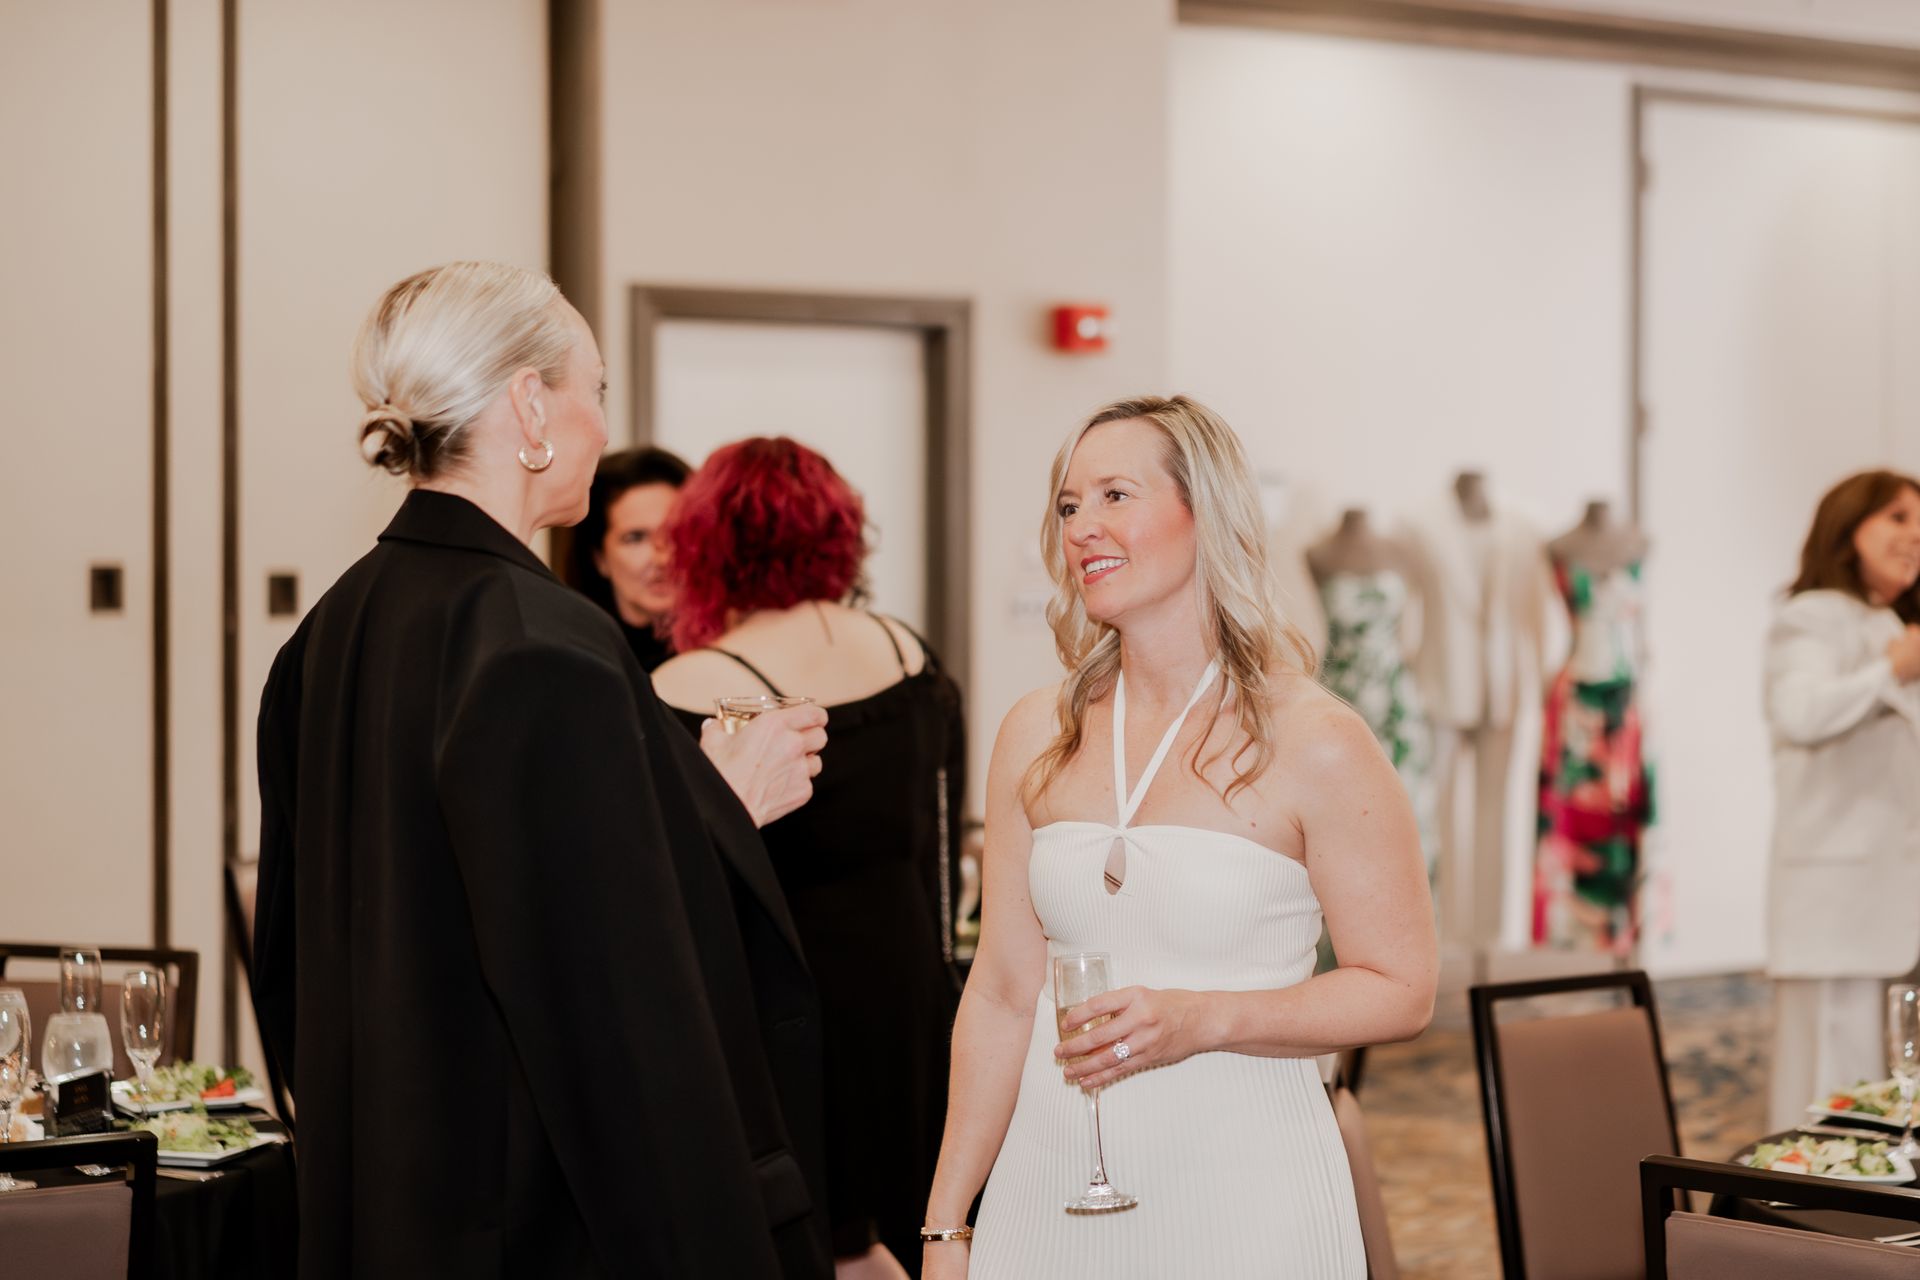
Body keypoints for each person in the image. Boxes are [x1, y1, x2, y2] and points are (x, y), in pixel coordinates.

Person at [252, 262, 835, 1278]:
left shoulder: (327, 635)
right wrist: (718, 811)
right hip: (537, 1233)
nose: (603, 424)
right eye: (595, 388)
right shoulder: (540, 644)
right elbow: (615, 1017)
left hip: (382, 1213)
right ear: (530, 403)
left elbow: (297, 972)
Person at [920, 396, 1436, 1279]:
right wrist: (946, 1224)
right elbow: (1003, 996)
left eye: (1115, 494)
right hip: (1047, 1192)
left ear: (1206, 513)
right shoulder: (1035, 732)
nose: (1084, 526)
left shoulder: (1314, 739)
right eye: (1070, 505)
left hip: (1246, 1196)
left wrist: (1206, 1017)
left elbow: (1402, 990)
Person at [651, 437, 966, 1280]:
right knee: (914, 1226)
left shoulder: (688, 686)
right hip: (911, 1001)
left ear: (707, 545)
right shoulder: (908, 652)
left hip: (791, 1017)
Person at [1764, 469, 1920, 1131]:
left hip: (1892, 902)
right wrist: (1892, 669)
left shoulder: (1889, 622)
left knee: (1884, 1102)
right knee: (1828, 1094)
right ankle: (1798, 1232)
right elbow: (1799, 712)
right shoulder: (1810, 617)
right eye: (1897, 518)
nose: (1915, 536)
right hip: (1838, 908)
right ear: (1847, 528)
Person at [570, 445, 693, 671]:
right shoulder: (576, 660)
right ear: (599, 558)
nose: (663, 559)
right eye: (636, 538)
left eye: (674, 533)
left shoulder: (730, 648)